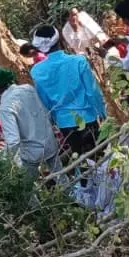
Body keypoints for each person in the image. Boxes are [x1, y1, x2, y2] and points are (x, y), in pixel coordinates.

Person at [29, 25, 106, 158]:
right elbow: (92, 92)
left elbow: (45, 102)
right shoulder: (78, 61)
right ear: (59, 41)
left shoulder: (37, 71)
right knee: (99, 156)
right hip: (87, 117)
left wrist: (52, 121)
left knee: (81, 159)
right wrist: (102, 113)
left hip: (64, 123)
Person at [0, 64, 60, 177]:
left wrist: (0, 160)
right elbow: (46, 113)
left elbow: (13, 141)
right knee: (61, 177)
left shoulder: (5, 108)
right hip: (50, 143)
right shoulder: (28, 89)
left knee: (28, 188)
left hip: (31, 154)